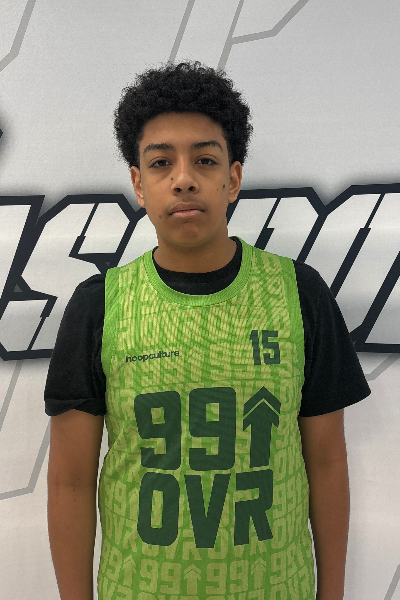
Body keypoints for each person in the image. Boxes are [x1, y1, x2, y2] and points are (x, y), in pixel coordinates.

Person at [45, 60, 371, 600]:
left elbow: (328, 462)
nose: (183, 178)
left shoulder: (299, 293)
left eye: (204, 159)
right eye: (160, 162)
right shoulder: (99, 306)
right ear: (138, 184)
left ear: (232, 179)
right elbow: (70, 481)